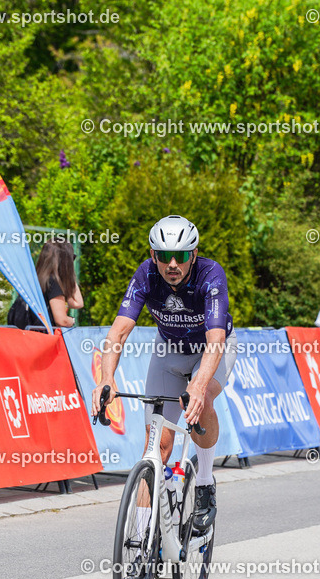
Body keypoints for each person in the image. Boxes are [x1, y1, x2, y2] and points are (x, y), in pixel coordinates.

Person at [91, 215, 236, 534]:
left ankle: (205, 485)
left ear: (193, 255)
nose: (173, 264)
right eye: (163, 255)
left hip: (210, 350)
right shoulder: (145, 275)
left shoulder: (210, 274)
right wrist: (106, 378)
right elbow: (118, 333)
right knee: (156, 448)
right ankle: (139, 540)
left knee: (204, 398)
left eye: (181, 256)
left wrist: (198, 387)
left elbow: (216, 342)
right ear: (153, 255)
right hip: (168, 350)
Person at [7, 240, 83, 329]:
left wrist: (67, 277)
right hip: (41, 338)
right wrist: (71, 320)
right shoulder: (53, 282)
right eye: (71, 259)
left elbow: (77, 303)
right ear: (65, 262)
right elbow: (62, 320)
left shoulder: (33, 279)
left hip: (23, 335)